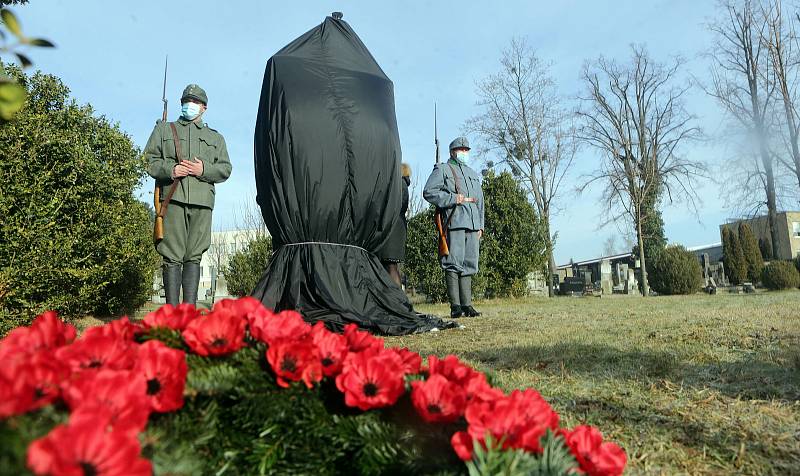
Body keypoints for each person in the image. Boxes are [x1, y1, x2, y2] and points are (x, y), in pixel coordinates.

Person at [144, 84, 232, 306]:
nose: (189, 105)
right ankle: (173, 315)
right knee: (172, 256)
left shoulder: (216, 138)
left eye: (194, 102)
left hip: (202, 202)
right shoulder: (164, 130)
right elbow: (148, 161)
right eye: (185, 101)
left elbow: (225, 169)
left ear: (204, 108)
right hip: (173, 200)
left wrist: (204, 171)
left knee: (194, 256)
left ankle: (189, 313)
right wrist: (171, 170)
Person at [423, 136, 484, 318]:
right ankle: (455, 306)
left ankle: (467, 305)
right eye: (461, 150)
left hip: (473, 224)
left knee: (469, 264)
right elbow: (429, 192)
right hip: (455, 221)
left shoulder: (473, 174)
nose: (464, 153)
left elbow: (480, 201)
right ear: (452, 152)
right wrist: (451, 199)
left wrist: (481, 225)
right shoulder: (442, 169)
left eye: (466, 150)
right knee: (453, 263)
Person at [381, 163, 411, 286]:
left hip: (393, 229)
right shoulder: (404, 184)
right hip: (398, 229)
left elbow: (395, 206)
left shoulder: (399, 184)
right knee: (391, 266)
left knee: (391, 266)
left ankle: (397, 297)